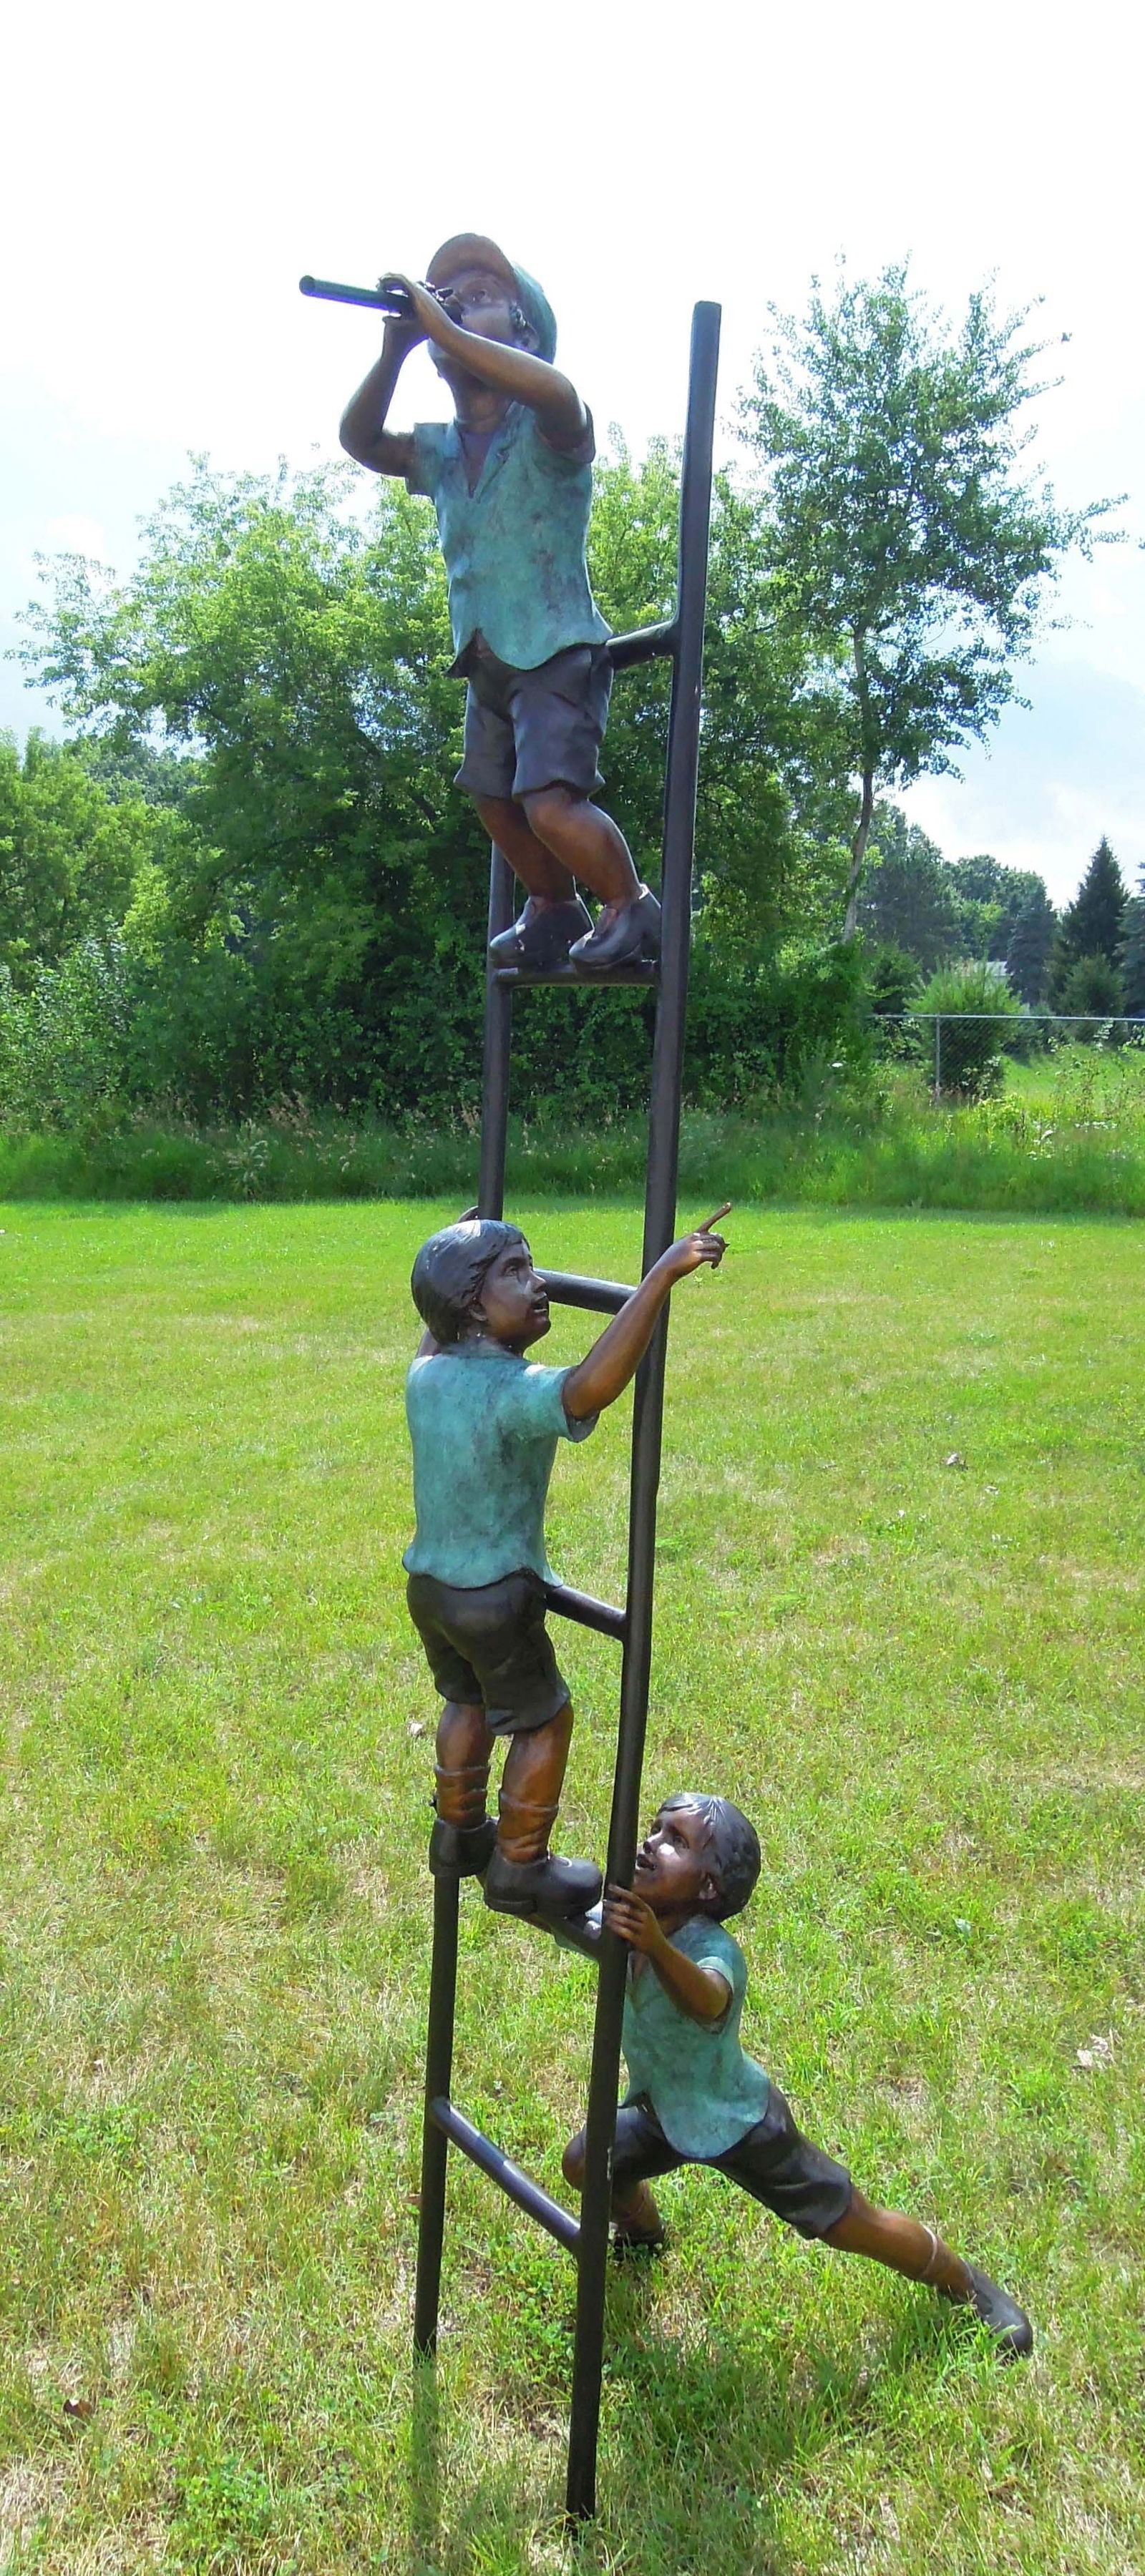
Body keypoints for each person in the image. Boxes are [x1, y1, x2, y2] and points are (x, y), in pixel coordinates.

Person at [555, 1793, 1033, 2360]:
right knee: (589, 2162)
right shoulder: (633, 1924)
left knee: (845, 2217)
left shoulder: (711, 1950)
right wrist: (500, 1858)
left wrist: (655, 1945)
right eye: (656, 1829)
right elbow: (558, 1913)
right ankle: (642, 2232)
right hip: (664, 2111)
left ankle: (964, 2283)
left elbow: (707, 2000)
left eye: (675, 1840)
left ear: (708, 1887)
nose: (650, 1842)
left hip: (738, 2121)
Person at [339, 232, 660, 977]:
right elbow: (360, 439)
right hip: (485, 658)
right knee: (494, 803)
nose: (453, 305)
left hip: (554, 650)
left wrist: (442, 329)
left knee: (549, 802)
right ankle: (553, 911)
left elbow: (554, 389)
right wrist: (395, 350)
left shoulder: (550, 420)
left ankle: (630, 905)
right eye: (448, 295)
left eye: (480, 297)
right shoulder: (441, 448)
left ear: (525, 334)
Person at [404, 1210, 729, 1919]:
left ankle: (456, 1832)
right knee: (543, 1721)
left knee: (465, 1700)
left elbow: (432, 1332)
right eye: (514, 1273)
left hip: (429, 1587)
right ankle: (520, 1864)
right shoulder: (511, 1390)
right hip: (494, 1592)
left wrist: (451, 1246)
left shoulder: (425, 1375)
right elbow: (589, 1386)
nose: (538, 1281)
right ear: (472, 1309)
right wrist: (660, 1278)